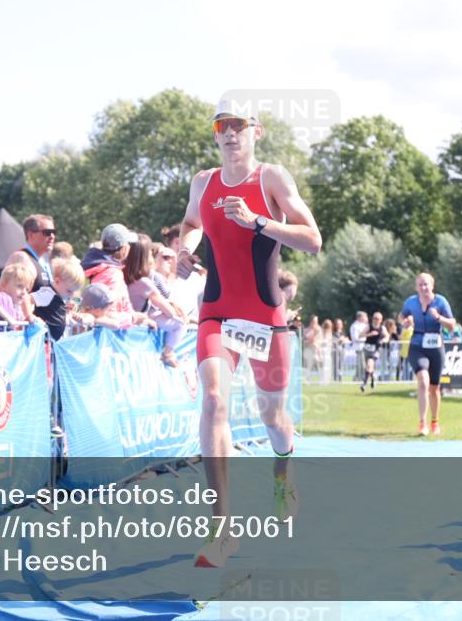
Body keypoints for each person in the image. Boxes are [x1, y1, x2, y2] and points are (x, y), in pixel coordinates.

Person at [175, 98, 321, 567]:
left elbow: (313, 239)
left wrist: (258, 221)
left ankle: (284, 469)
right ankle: (221, 529)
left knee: (272, 419)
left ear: (255, 131)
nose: (230, 133)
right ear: (215, 135)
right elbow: (192, 224)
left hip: (263, 315)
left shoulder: (272, 178)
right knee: (214, 399)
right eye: (223, 126)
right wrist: (184, 248)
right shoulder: (204, 182)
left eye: (239, 125)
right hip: (217, 312)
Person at [401, 273, 458, 436]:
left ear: (432, 286)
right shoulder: (411, 302)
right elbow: (402, 316)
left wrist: (439, 317)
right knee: (423, 382)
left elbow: (452, 325)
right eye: (420, 285)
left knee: (434, 388)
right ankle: (422, 423)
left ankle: (435, 421)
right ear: (416, 287)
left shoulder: (441, 301)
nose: (423, 288)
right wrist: (405, 322)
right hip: (417, 345)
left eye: (426, 284)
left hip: (436, 347)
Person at [125, 235, 186, 365]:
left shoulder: (122, 276)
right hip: (138, 321)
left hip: (128, 321)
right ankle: (168, 352)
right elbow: (169, 312)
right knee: (180, 324)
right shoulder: (145, 282)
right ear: (146, 258)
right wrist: (172, 308)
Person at [7, 214, 59, 329]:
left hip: (45, 336)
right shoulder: (22, 258)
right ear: (31, 234)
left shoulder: (44, 262)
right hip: (29, 335)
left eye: (54, 232)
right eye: (47, 232)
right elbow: (14, 295)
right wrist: (26, 316)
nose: (52, 236)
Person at [358, 311, 388, 393]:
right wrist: (369, 334)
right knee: (369, 367)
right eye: (374, 318)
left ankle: (363, 384)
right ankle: (373, 378)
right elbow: (360, 335)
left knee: (369, 364)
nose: (375, 320)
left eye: (377, 319)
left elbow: (387, 336)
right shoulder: (369, 326)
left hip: (376, 350)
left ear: (381, 320)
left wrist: (383, 340)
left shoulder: (382, 328)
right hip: (367, 349)